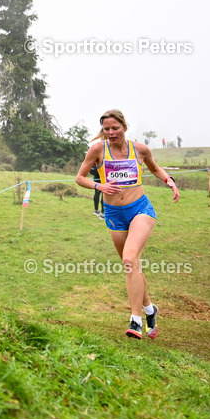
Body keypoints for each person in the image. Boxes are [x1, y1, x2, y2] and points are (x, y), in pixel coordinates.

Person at [75, 109, 179, 339]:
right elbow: (79, 178)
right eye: (106, 129)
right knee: (132, 266)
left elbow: (154, 168)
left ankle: (136, 320)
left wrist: (169, 181)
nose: (111, 132)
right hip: (114, 213)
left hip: (140, 209)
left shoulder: (140, 149)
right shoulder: (97, 149)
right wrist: (100, 186)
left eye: (115, 128)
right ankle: (150, 310)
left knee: (129, 259)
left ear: (124, 127)